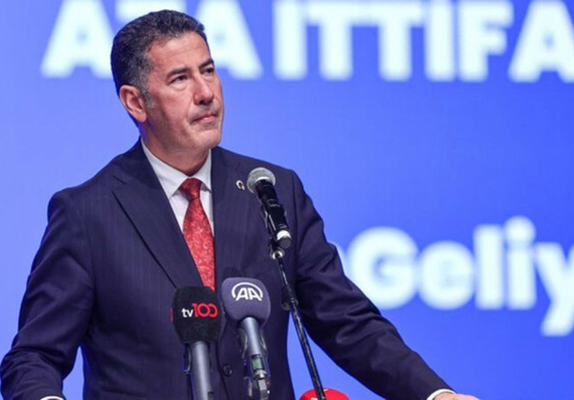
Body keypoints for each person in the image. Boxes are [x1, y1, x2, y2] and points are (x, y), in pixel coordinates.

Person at [1, 10, 477, 400]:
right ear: (136, 102)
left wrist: (435, 394)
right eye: (180, 78)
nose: (206, 93)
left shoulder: (271, 190)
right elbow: (34, 357)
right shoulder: (88, 214)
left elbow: (346, 322)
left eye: (208, 70)